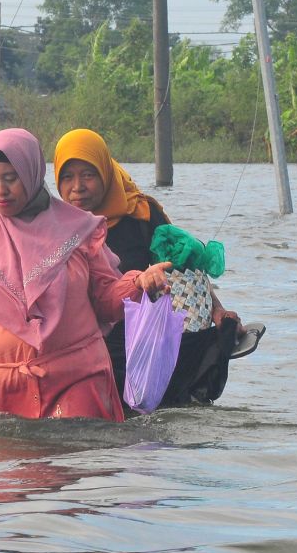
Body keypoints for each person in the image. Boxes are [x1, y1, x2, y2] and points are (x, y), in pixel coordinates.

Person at [0, 128, 172, 422]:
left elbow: (105, 300)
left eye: (11, 179)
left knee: (74, 459)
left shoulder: (78, 229)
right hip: (5, 390)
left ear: (32, 174)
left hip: (76, 378)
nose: (0, 190)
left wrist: (138, 282)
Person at [53, 128, 264, 407]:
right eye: (67, 177)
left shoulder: (141, 215)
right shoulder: (53, 226)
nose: (77, 186)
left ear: (105, 172)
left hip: (141, 337)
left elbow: (184, 270)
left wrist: (217, 310)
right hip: (85, 343)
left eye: (88, 175)